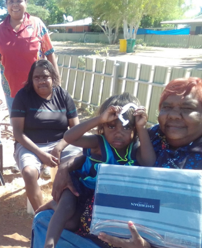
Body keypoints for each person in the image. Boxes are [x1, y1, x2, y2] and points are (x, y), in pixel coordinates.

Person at [32, 77, 202, 248]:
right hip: (90, 220)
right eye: (167, 107)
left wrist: (145, 246)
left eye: (187, 108)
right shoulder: (154, 136)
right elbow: (95, 152)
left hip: (128, 237)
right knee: (42, 220)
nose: (173, 115)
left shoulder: (141, 141)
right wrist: (66, 166)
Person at [42, 93, 155, 248]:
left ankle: (55, 205)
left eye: (126, 127)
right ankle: (49, 243)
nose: (118, 133)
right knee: (67, 208)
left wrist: (141, 128)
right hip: (81, 186)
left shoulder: (134, 148)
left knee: (73, 223)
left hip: (102, 198)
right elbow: (69, 137)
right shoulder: (98, 143)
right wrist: (99, 119)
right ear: (102, 127)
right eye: (111, 126)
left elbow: (149, 163)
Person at [11, 59, 82, 211]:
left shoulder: (62, 95)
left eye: (45, 77)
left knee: (76, 166)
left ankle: (68, 209)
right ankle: (40, 215)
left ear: (53, 78)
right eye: (37, 77)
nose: (41, 81)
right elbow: (17, 133)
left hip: (62, 143)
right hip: (31, 145)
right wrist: (41, 154)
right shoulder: (23, 96)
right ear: (31, 79)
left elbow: (75, 129)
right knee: (29, 173)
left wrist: (60, 146)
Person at [0, 0, 59, 112]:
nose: (15, 4)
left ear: (26, 3)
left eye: (19, 1)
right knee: (17, 126)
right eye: (11, 1)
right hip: (11, 90)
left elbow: (50, 53)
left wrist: (56, 82)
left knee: (38, 124)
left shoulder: (37, 24)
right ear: (6, 4)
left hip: (38, 87)